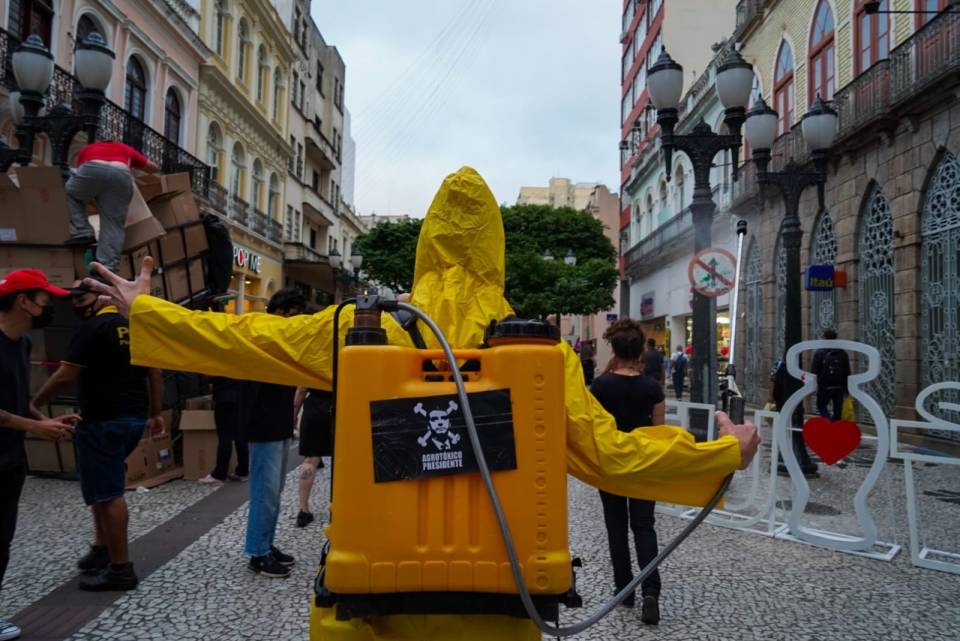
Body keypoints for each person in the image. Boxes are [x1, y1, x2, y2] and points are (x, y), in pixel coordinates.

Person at [84, 167, 759, 640]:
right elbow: (613, 457)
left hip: (369, 607)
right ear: (494, 248)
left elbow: (249, 339)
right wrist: (721, 452)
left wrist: (154, 315)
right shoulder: (541, 356)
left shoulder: (362, 329)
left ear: (426, 244)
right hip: (499, 609)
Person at [31, 283, 165, 591]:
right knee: (102, 487)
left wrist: (35, 402)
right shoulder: (134, 325)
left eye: (82, 299)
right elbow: (155, 371)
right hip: (132, 419)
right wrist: (156, 412)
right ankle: (102, 548)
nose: (77, 305)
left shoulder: (91, 328)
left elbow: (66, 374)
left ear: (102, 297)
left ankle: (120, 569)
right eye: (74, 300)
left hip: (103, 420)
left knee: (107, 494)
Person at [0, 270, 78, 641]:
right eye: (44, 298)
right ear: (23, 301)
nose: (49, 305)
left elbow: (16, 400)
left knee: (2, 541)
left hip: (10, 460)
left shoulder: (24, 343)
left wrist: (44, 419)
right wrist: (35, 429)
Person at [590, 320, 667, 625]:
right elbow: (659, 433)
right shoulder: (652, 388)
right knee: (645, 527)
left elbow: (594, 428)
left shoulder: (601, 386)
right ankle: (650, 590)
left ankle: (624, 589)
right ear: (639, 352)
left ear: (615, 349)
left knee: (616, 528)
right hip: (644, 466)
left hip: (612, 466)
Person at [239, 288, 305, 579]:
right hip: (263, 422)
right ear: (285, 311)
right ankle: (258, 552)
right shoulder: (263, 332)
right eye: (295, 315)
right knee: (264, 492)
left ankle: (265, 543)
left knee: (273, 492)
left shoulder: (281, 335)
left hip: (277, 422)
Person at [65, 141, 160, 272]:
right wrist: (135, 166)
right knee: (113, 223)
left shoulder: (88, 149)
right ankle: (107, 268)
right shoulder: (126, 148)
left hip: (92, 168)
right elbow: (153, 167)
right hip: (120, 174)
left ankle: (83, 231)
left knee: (71, 193)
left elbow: (85, 178)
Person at [199, 377, 249, 484]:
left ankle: (219, 473)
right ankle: (243, 471)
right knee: (240, 434)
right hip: (241, 395)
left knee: (224, 436)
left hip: (224, 396)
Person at [295, 388, 333, 528]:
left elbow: (301, 390)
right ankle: (342, 508)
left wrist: (294, 414)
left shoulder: (317, 364)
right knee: (344, 461)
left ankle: (303, 510)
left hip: (315, 409)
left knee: (311, 459)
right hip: (341, 406)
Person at [810, 329, 850, 421]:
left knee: (821, 405)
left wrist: (811, 386)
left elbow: (814, 371)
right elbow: (847, 371)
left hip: (824, 386)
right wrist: (847, 389)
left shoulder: (819, 352)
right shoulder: (842, 353)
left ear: (824, 338)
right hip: (840, 387)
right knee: (838, 410)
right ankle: (834, 428)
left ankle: (828, 422)